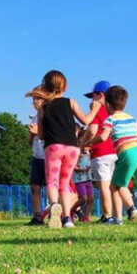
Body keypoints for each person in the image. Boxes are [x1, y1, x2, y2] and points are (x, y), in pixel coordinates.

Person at [82, 86, 137, 224]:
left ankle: (117, 219)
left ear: (107, 104)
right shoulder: (132, 118)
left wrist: (87, 143)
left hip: (127, 152)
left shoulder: (110, 120)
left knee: (114, 186)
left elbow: (103, 137)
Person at [28, 70, 93, 229]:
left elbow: (41, 135)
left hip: (53, 147)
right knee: (65, 183)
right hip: (72, 148)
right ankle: (67, 218)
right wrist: (96, 109)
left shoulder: (43, 108)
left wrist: (38, 132)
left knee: (52, 181)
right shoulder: (71, 102)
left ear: (46, 87)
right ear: (65, 86)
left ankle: (54, 205)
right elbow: (85, 120)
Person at [82, 81, 120, 225]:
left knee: (103, 185)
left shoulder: (97, 109)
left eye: (94, 96)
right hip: (114, 151)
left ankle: (107, 215)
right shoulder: (113, 112)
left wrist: (83, 143)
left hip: (100, 152)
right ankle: (118, 214)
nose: (92, 100)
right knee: (114, 185)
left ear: (101, 95)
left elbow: (92, 130)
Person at [26, 100, 46, 225]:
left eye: (38, 99)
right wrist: (32, 135)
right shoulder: (34, 118)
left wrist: (38, 132)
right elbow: (29, 141)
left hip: (48, 155)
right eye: (33, 99)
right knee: (35, 187)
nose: (34, 102)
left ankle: (56, 214)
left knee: (52, 187)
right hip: (36, 156)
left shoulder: (48, 116)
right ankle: (37, 216)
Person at [73, 148, 94, 222]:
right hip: (79, 180)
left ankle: (86, 217)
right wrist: (82, 170)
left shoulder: (89, 153)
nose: (87, 147)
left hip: (89, 179)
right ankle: (72, 210)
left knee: (91, 199)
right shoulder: (77, 154)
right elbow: (74, 167)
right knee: (83, 199)